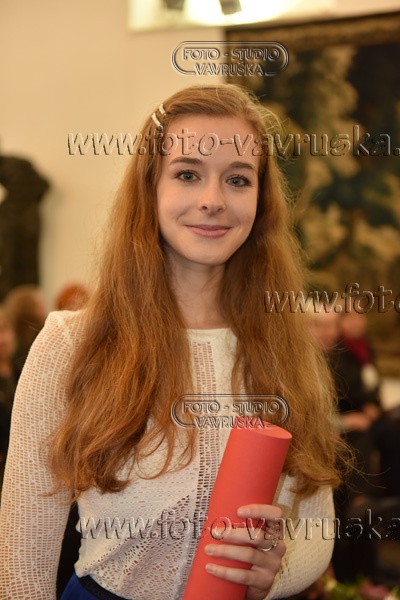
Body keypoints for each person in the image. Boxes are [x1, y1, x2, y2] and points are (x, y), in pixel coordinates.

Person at [0, 84, 345, 600]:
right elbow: (22, 564)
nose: (213, 200)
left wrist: (276, 571)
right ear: (150, 189)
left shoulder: (289, 347)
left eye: (238, 179)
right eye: (187, 174)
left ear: (261, 200)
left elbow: (316, 521)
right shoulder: (70, 344)